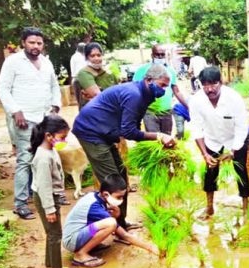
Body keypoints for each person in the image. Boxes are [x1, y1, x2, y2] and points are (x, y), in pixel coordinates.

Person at [73, 64, 177, 231]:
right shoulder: (135, 95)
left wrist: (156, 142)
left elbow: (132, 125)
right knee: (112, 183)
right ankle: (109, 228)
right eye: (162, 85)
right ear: (148, 80)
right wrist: (159, 136)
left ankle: (121, 222)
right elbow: (128, 132)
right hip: (90, 132)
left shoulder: (145, 95)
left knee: (121, 178)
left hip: (105, 133)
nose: (164, 90)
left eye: (167, 86)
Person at [0, 27, 62, 220]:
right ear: (23, 43)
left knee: (45, 155)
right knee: (25, 159)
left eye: (39, 43)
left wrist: (56, 107)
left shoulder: (46, 63)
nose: (35, 46)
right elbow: (3, 89)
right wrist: (15, 111)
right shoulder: (13, 62)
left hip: (45, 118)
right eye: (32, 42)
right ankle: (21, 203)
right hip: (24, 119)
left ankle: (45, 194)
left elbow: (54, 86)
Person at [190, 66, 249, 217]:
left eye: (213, 84)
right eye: (205, 85)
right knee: (210, 173)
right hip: (212, 139)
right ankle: (209, 207)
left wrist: (233, 150)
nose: (210, 89)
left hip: (234, 138)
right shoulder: (196, 100)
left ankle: (246, 209)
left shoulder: (234, 98)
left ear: (221, 82)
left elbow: (242, 127)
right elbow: (196, 129)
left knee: (241, 171)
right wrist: (205, 154)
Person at [29, 115, 82, 268]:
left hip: (49, 197)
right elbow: (44, 186)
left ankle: (50, 265)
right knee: (55, 234)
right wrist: (50, 209)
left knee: (51, 233)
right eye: (62, 137)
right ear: (48, 136)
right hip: (46, 198)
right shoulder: (43, 157)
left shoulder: (49, 150)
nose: (64, 141)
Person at [63, 173, 157, 266]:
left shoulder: (96, 197)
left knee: (110, 223)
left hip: (78, 234)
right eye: (119, 197)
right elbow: (123, 234)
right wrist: (150, 248)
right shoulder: (94, 206)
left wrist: (116, 215)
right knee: (110, 223)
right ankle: (80, 254)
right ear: (105, 194)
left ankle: (89, 246)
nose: (121, 200)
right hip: (72, 240)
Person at [132, 44, 189, 139]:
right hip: (150, 112)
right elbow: (135, 90)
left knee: (167, 140)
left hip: (166, 112)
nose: (160, 57)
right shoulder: (142, 70)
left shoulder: (170, 71)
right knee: (155, 141)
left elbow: (176, 91)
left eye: (162, 55)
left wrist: (188, 107)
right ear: (152, 55)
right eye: (157, 55)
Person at [74, 42, 118, 107]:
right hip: (93, 112)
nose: (96, 58)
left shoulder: (108, 73)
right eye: (92, 56)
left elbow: (118, 92)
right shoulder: (84, 73)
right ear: (86, 58)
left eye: (99, 55)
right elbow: (97, 95)